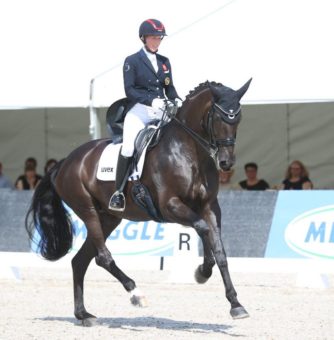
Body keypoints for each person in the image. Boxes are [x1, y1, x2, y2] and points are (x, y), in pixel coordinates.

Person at [109, 18, 182, 211]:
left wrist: (176, 100)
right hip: (140, 111)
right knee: (128, 148)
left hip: (161, 110)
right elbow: (130, 90)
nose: (157, 41)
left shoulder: (164, 62)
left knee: (178, 140)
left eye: (159, 38)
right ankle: (118, 192)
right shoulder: (132, 61)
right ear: (144, 38)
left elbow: (170, 87)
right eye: (153, 37)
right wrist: (151, 101)